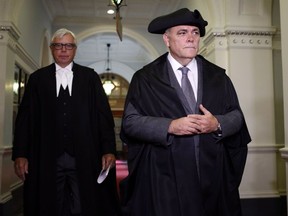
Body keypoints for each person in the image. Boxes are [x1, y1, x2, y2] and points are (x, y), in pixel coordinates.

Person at [120, 8, 251, 216]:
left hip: (211, 174)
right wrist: (169, 126)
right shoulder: (146, 78)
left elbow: (236, 116)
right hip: (164, 177)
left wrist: (216, 123)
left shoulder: (218, 77)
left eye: (195, 33)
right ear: (167, 39)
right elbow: (131, 122)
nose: (191, 38)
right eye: (182, 33)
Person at [12, 28, 120, 216]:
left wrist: (108, 149)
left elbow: (103, 116)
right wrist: (20, 153)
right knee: (49, 205)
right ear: (52, 48)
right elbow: (25, 119)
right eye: (58, 45)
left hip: (84, 155)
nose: (63, 50)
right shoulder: (37, 79)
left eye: (68, 45)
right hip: (45, 156)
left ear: (75, 49)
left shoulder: (90, 78)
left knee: (83, 205)